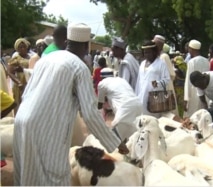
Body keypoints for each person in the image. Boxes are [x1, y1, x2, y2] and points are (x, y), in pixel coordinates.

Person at [13, 23, 128, 186]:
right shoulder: (79, 68)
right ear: (86, 46)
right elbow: (90, 114)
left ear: (67, 41)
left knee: (27, 173)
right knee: (54, 176)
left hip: (22, 122)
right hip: (46, 129)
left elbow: (27, 93)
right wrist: (116, 143)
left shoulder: (47, 59)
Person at [97, 68, 143, 141]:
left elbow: (100, 104)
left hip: (125, 108)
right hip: (138, 104)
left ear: (102, 77)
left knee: (114, 135)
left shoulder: (102, 83)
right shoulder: (121, 80)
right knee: (135, 134)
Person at [135, 41, 170, 118]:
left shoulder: (161, 63)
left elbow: (167, 79)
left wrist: (157, 83)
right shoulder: (142, 63)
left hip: (154, 99)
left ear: (154, 52)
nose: (146, 54)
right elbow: (138, 82)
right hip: (141, 97)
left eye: (148, 52)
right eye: (145, 52)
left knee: (153, 121)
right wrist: (136, 95)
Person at [153, 35, 179, 116]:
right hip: (158, 88)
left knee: (167, 113)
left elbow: (172, 74)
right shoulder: (156, 57)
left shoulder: (164, 56)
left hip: (165, 88)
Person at [183, 39, 210, 117]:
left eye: (189, 49)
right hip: (205, 91)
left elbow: (188, 81)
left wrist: (186, 99)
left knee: (193, 117)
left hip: (194, 92)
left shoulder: (192, 62)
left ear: (191, 49)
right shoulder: (206, 60)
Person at [8, 38, 30, 114]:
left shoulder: (30, 57)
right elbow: (10, 72)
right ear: (17, 49)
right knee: (19, 103)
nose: (23, 48)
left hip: (29, 82)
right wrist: (18, 82)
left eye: (24, 46)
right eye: (20, 47)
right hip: (19, 85)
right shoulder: (15, 59)